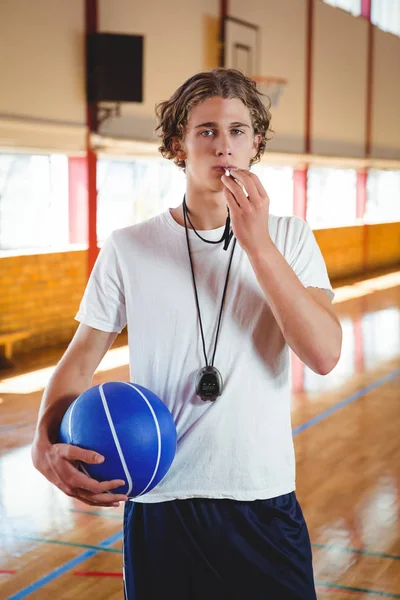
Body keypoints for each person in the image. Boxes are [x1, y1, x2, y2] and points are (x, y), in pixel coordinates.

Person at [32, 68, 342, 599]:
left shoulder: (289, 238)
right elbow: (80, 359)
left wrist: (257, 245)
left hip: (260, 498)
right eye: (207, 131)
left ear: (257, 142)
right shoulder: (129, 247)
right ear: (178, 142)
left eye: (238, 130)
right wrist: (44, 442)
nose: (224, 145)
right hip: (159, 503)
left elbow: (323, 354)